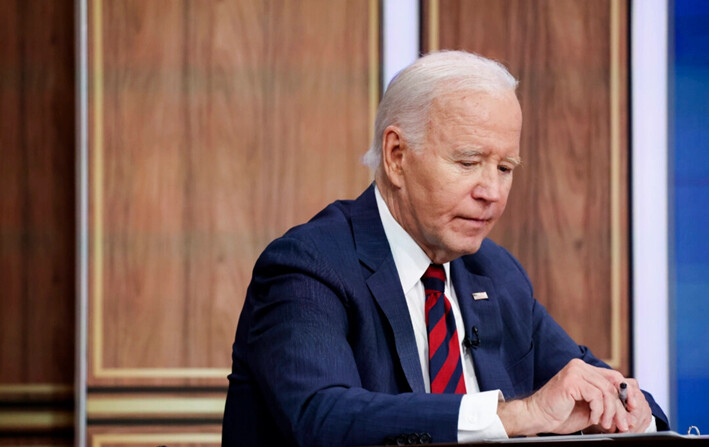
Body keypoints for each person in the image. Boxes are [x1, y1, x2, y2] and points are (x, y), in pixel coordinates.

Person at [222, 51, 669, 446]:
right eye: (469, 162)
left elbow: (613, 393)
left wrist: (624, 410)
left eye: (505, 168)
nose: (491, 192)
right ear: (397, 156)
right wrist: (517, 415)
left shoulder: (496, 274)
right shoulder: (309, 265)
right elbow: (322, 418)